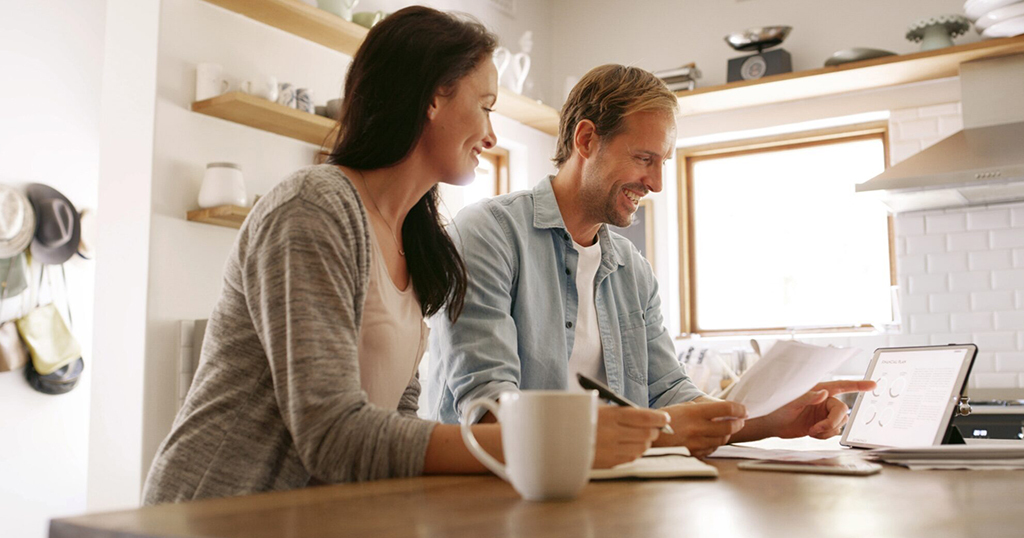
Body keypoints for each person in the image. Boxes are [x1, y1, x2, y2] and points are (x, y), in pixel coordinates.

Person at [142, 10, 668, 505]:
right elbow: (332, 432)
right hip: (214, 513)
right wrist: (552, 443)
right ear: (432, 99)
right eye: (484, 106)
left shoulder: (414, 238)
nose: (490, 134)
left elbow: (397, 420)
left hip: (314, 518)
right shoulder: (313, 208)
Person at [426, 64, 874, 457]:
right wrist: (654, 435)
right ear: (586, 140)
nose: (656, 184)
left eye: (663, 162)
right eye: (644, 158)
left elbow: (669, 393)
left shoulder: (630, 267)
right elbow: (486, 410)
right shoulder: (489, 233)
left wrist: (775, 417)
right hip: (497, 495)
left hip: (606, 490)